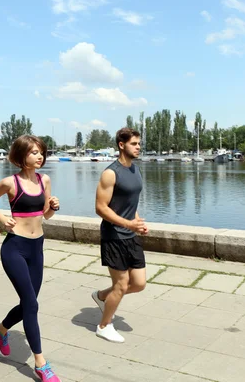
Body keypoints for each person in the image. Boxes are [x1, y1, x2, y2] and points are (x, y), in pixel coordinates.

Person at [0, 135, 61, 382]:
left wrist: (53, 206)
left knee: (30, 302)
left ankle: (1, 329)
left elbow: (46, 215)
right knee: (32, 304)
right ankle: (41, 362)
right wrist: (1, 218)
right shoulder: (10, 182)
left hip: (37, 247)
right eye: (34, 152)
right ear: (21, 155)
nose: (40, 156)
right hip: (14, 248)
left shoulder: (44, 179)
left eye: (41, 152)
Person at [91, 127, 149, 343]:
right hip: (113, 236)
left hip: (131, 234)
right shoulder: (110, 173)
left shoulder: (135, 170)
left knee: (139, 283)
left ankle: (101, 296)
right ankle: (103, 325)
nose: (138, 147)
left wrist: (138, 222)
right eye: (134, 143)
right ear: (121, 145)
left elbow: (129, 202)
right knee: (122, 284)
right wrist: (128, 224)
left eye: (139, 143)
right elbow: (101, 208)